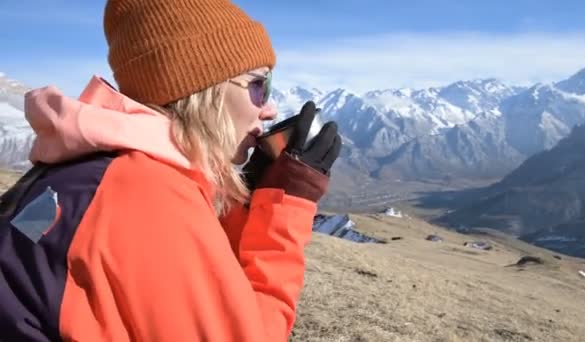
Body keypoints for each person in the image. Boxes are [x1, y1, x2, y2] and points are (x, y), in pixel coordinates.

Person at [0, 0, 341, 341]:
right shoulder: (147, 194)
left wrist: (243, 212)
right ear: (203, 88)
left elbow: (194, 297)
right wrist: (286, 209)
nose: (269, 108)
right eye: (259, 85)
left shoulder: (101, 169)